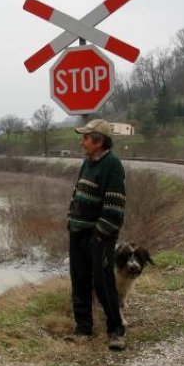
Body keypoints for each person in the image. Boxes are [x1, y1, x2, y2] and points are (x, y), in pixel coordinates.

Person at [66, 119, 126, 351]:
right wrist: (71, 219)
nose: (82, 143)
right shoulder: (87, 162)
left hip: (98, 235)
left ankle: (116, 330)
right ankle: (83, 328)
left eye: (86, 138)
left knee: (103, 284)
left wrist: (100, 233)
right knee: (79, 280)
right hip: (77, 231)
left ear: (99, 142)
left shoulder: (112, 165)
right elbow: (77, 192)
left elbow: (115, 205)